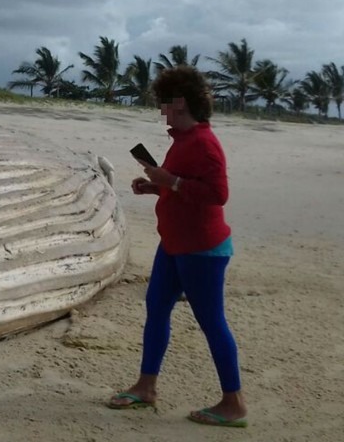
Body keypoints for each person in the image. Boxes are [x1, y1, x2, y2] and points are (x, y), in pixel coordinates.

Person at [107, 65, 247, 428]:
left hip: (202, 249)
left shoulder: (204, 143)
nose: (161, 111)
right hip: (173, 243)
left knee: (211, 322)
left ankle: (233, 404)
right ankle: (146, 386)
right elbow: (185, 185)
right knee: (156, 307)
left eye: (165, 104)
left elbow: (218, 194)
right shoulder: (183, 140)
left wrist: (172, 180)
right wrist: (156, 186)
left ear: (180, 103)